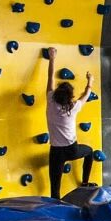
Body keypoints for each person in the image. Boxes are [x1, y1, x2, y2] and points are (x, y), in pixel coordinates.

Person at [44, 48, 95, 200]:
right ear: (70, 97)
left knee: (55, 191)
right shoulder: (73, 107)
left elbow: (50, 77)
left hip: (56, 152)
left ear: (57, 94)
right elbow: (86, 95)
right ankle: (85, 183)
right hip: (72, 149)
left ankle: (56, 209)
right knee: (90, 152)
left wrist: (52, 58)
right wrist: (90, 81)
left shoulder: (50, 99)